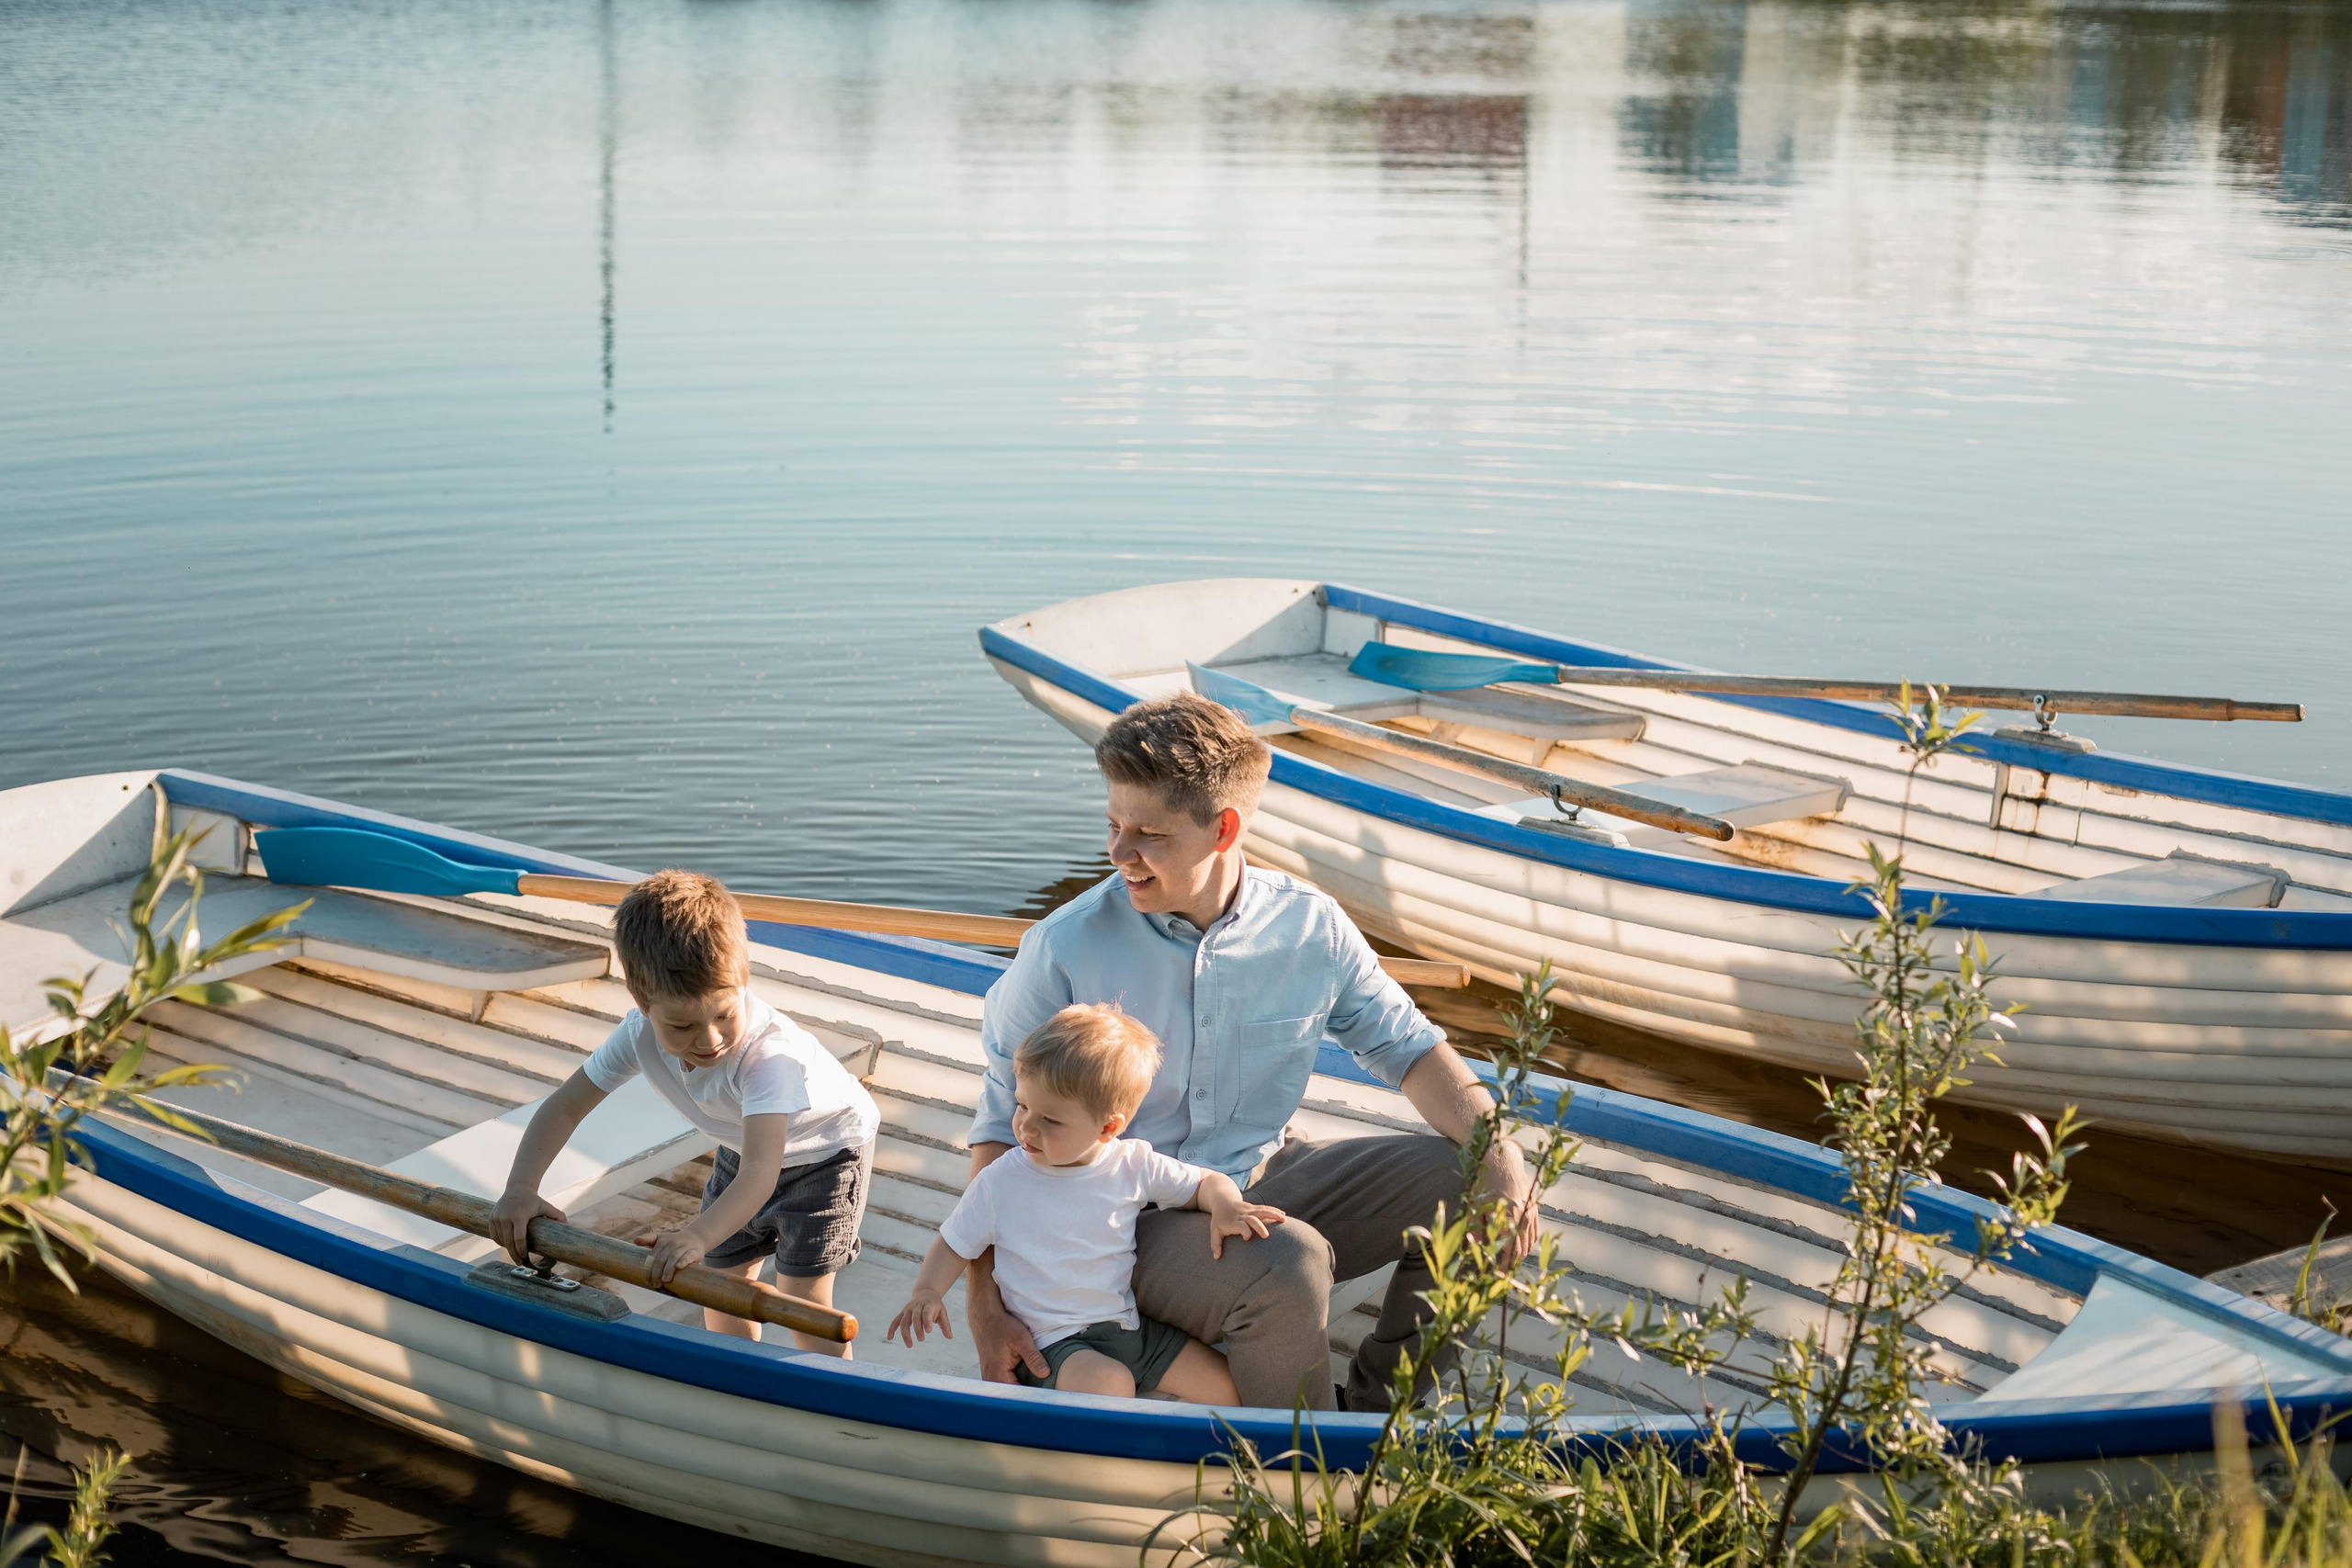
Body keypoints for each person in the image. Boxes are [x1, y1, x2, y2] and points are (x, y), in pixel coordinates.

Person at [965, 691, 1537, 1412]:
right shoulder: (1065, 946)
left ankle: (1373, 1422)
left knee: (1479, 1173)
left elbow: (1411, 1048)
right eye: (1112, 824)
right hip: (1118, 1222)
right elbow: (996, 1127)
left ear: (1223, 828)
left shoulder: (1310, 926)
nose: (1118, 854)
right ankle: (1312, 1476)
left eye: (1147, 833)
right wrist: (988, 1307)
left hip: (1261, 1181)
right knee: (1288, 1264)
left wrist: (1502, 1152)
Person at [489, 869, 878, 1354]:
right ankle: (738, 1373)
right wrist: (521, 1189)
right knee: (720, 1282)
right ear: (642, 1004)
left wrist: (693, 1236)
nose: (711, 1040)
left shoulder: (767, 1058)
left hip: (826, 1151)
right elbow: (565, 1106)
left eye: (724, 1015)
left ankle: (833, 1394)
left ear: (744, 981)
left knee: (801, 1295)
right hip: (746, 1145)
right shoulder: (637, 1033)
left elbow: (763, 1171)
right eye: (682, 1025)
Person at [886, 1004, 1283, 1402]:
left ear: (1109, 1127)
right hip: (1050, 1342)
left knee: (1228, 1388)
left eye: (1051, 1120)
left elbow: (1205, 1182)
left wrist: (1228, 1205)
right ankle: (1107, 1459)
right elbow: (955, 1243)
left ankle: (1211, 1459)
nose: (1027, 1126)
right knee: (1108, 1384)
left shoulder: (1132, 1163)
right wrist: (927, 1292)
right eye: (1022, 1105)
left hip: (1127, 1329)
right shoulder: (1002, 1181)